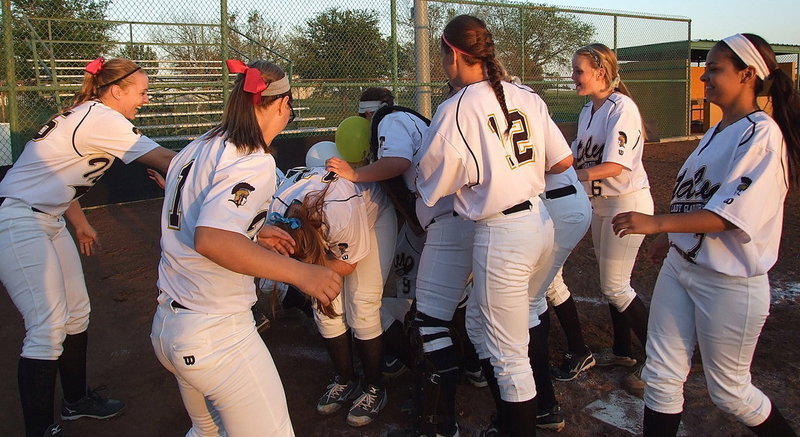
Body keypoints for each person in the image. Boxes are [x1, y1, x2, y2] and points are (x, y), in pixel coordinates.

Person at [612, 33, 799, 437]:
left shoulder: (762, 135)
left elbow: (731, 216)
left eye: (715, 69)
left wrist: (657, 223)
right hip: (682, 269)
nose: (706, 78)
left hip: (729, 281)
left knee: (730, 392)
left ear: (747, 75)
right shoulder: (716, 131)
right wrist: (672, 239)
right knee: (661, 374)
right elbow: (694, 201)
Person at [151, 59, 341, 437]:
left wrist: (255, 230)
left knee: (207, 432)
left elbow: (199, 219)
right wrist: (303, 273)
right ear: (283, 104)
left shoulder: (199, 145)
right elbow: (212, 239)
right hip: (215, 331)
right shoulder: (253, 160)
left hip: (169, 325)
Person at [416, 15, 573, 437]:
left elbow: (430, 186)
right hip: (540, 221)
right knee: (494, 329)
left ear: (453, 54)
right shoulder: (526, 94)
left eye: (442, 55)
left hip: (500, 233)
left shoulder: (457, 106)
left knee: (507, 358)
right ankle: (513, 421)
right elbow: (561, 161)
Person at [0, 57, 175, 437]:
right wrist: (221, 170)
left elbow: (59, 172)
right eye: (141, 92)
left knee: (76, 312)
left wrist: (80, 223)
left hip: (48, 217)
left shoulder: (89, 113)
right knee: (46, 325)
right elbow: (164, 159)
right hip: (18, 220)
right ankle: (40, 429)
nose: (144, 100)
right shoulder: (102, 117)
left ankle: (76, 401)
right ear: (116, 91)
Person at [269, 151, 396, 427]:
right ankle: (345, 379)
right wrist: (306, 272)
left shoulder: (339, 213)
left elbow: (346, 266)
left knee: (360, 303)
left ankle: (375, 387)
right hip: (326, 223)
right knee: (324, 306)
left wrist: (311, 270)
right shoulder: (276, 213)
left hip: (372, 216)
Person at [570, 43, 653, 391]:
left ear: (601, 72)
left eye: (579, 71)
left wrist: (569, 176)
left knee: (616, 285)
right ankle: (622, 350)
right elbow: (577, 157)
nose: (573, 77)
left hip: (626, 204)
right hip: (601, 204)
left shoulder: (623, 109)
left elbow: (614, 166)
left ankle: (658, 357)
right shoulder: (589, 109)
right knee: (611, 281)